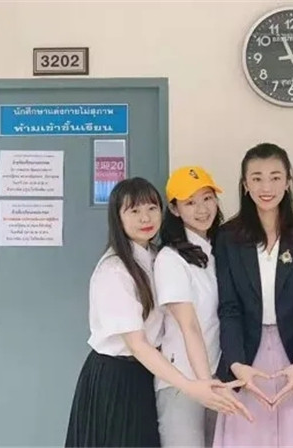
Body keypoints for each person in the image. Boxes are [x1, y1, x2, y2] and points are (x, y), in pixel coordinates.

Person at [65, 177, 244, 448]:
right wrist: (190, 385)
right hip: (116, 377)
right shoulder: (114, 270)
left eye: (151, 208)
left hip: (144, 373)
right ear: (117, 217)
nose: (145, 218)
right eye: (134, 211)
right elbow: (137, 345)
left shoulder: (155, 255)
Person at [212, 143, 293, 447]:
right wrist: (236, 364)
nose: (267, 187)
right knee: (247, 433)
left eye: (276, 177)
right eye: (257, 178)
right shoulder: (228, 236)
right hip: (247, 352)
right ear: (245, 185)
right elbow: (229, 308)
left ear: (288, 182)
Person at [154, 166, 251, 447]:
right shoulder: (171, 259)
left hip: (216, 378)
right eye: (190, 202)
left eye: (207, 198)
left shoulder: (217, 250)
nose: (202, 209)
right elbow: (189, 326)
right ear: (174, 209)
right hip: (184, 381)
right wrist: (205, 383)